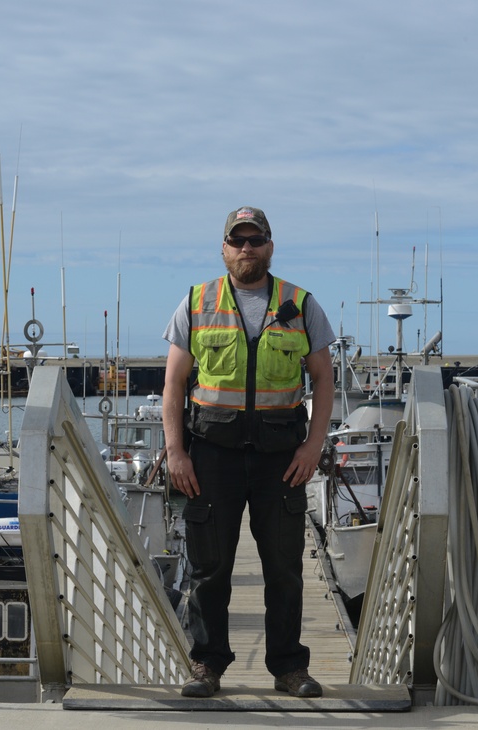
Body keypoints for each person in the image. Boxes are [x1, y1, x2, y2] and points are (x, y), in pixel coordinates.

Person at [162, 205, 336, 699]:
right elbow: (173, 386)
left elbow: (324, 381)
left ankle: (288, 668)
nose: (246, 249)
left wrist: (313, 446)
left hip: (281, 460)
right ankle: (207, 665)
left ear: (270, 246)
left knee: (283, 566)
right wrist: (176, 452)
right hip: (211, 455)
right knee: (209, 567)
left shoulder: (300, 304)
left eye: (255, 240)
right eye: (237, 241)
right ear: (223, 249)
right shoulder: (196, 302)